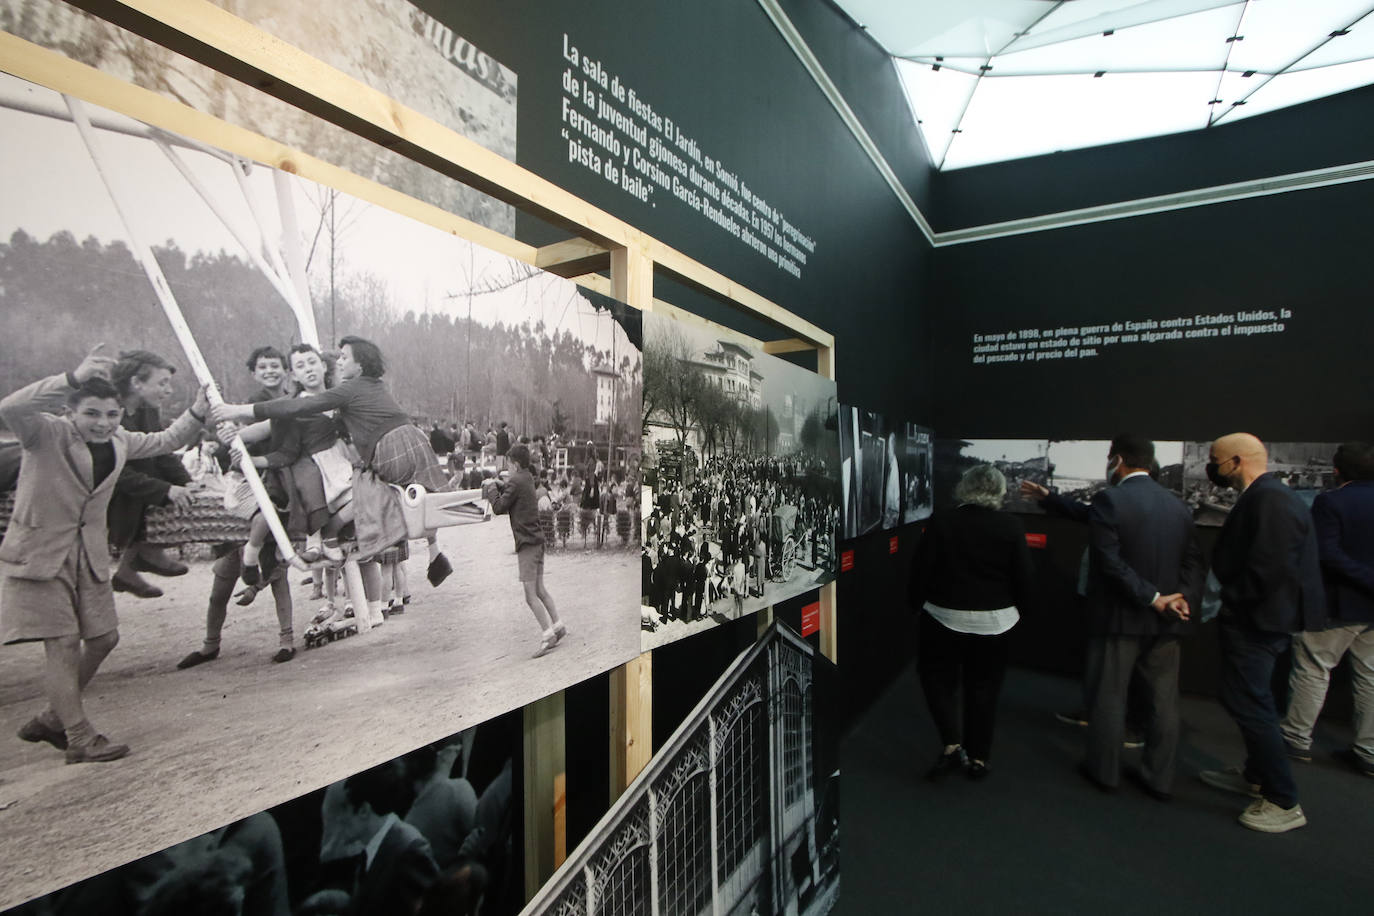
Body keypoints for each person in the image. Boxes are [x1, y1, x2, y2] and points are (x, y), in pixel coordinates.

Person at [4, 345, 206, 763]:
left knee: (104, 638)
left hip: (88, 557)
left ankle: (53, 719)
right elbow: (11, 406)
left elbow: (165, 440)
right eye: (91, 414)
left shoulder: (119, 439)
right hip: (41, 556)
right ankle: (79, 736)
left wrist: (199, 411)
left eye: (111, 415)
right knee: (62, 645)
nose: (102, 423)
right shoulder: (45, 433)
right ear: (70, 411)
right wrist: (72, 378)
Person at [213, 336, 454, 587]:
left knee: (380, 493)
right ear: (294, 375)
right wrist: (236, 431)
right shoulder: (370, 387)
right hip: (405, 443)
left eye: (344, 358)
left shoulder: (347, 391)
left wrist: (239, 412)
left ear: (355, 366)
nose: (339, 362)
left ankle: (337, 536)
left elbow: (305, 410)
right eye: (337, 358)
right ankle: (432, 551)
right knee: (408, 494)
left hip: (377, 451)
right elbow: (277, 421)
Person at [1199, 432, 1325, 833]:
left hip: (1257, 622)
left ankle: (1283, 800)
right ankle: (1256, 775)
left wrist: (1232, 602)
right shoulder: (1270, 496)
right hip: (1262, 619)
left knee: (1250, 704)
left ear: (1236, 461)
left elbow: (1269, 569)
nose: (1213, 468)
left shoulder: (1269, 499)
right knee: (1253, 700)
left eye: (1216, 461)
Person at [1066, 436, 1203, 800]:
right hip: (1167, 622)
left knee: (1109, 697)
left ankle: (1104, 772)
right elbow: (1192, 562)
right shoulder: (1177, 505)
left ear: (1118, 459)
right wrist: (1181, 600)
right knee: (1163, 703)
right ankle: (1158, 778)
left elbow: (1108, 562)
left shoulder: (1110, 499)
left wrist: (1152, 598)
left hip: (1118, 619)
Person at [908, 464, 1033, 781]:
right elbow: (1024, 578)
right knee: (984, 689)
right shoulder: (1011, 526)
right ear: (1000, 491)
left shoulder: (943, 522)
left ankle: (952, 743)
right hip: (996, 622)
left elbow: (922, 570)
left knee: (936, 680)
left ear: (965, 487)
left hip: (943, 617)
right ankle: (979, 757)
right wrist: (1020, 612)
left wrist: (913, 606)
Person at [1280, 441, 1374, 778]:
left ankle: (1294, 738)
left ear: (1336, 471)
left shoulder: (1331, 501)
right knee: (1371, 678)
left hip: (1339, 605)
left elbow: (1328, 554)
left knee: (1314, 668)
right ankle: (1368, 751)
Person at [106, 350, 196, 599]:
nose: (168, 391)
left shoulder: (148, 411)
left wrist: (186, 480)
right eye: (162, 383)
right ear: (136, 383)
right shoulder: (107, 412)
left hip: (130, 483)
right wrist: (165, 490)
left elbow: (162, 451)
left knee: (176, 486)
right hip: (101, 488)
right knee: (154, 481)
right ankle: (143, 552)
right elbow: (112, 469)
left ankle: (135, 561)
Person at [486, 443, 568, 657]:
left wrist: (492, 489)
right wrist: (500, 484)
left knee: (530, 595)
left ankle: (548, 634)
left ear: (514, 464)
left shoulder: (515, 481)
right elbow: (513, 493)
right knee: (541, 589)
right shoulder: (527, 478)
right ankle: (558, 626)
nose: (507, 470)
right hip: (538, 541)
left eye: (508, 465)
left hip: (527, 545)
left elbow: (499, 507)